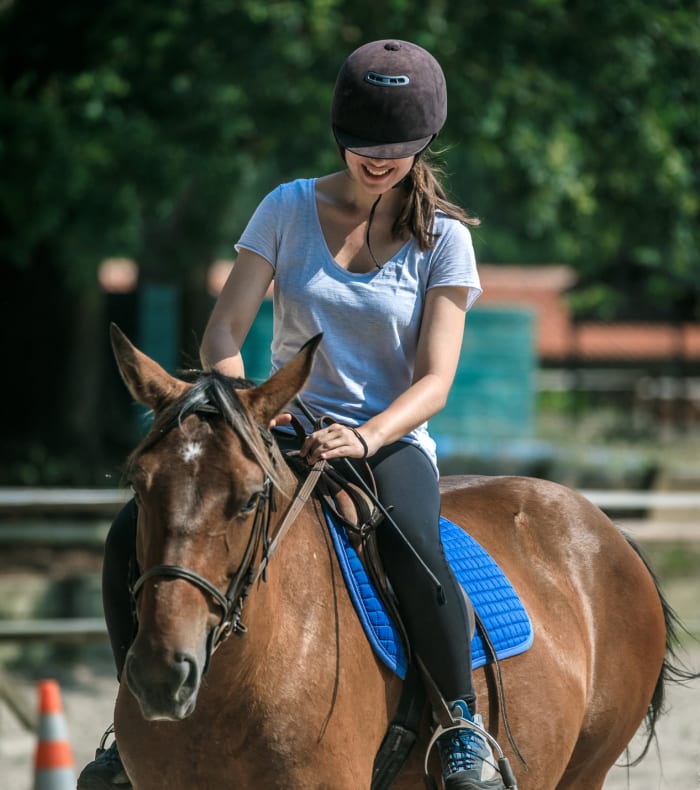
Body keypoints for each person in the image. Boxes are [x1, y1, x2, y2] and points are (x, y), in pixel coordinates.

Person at [78, 39, 505, 790]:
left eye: (398, 149)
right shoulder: (286, 207)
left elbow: (436, 380)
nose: (379, 160)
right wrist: (248, 417)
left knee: (414, 549)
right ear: (339, 134)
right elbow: (222, 333)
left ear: (424, 144)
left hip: (387, 437)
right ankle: (132, 722)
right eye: (365, 145)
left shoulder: (446, 243)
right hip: (274, 430)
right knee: (128, 537)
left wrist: (367, 435)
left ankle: (461, 727)